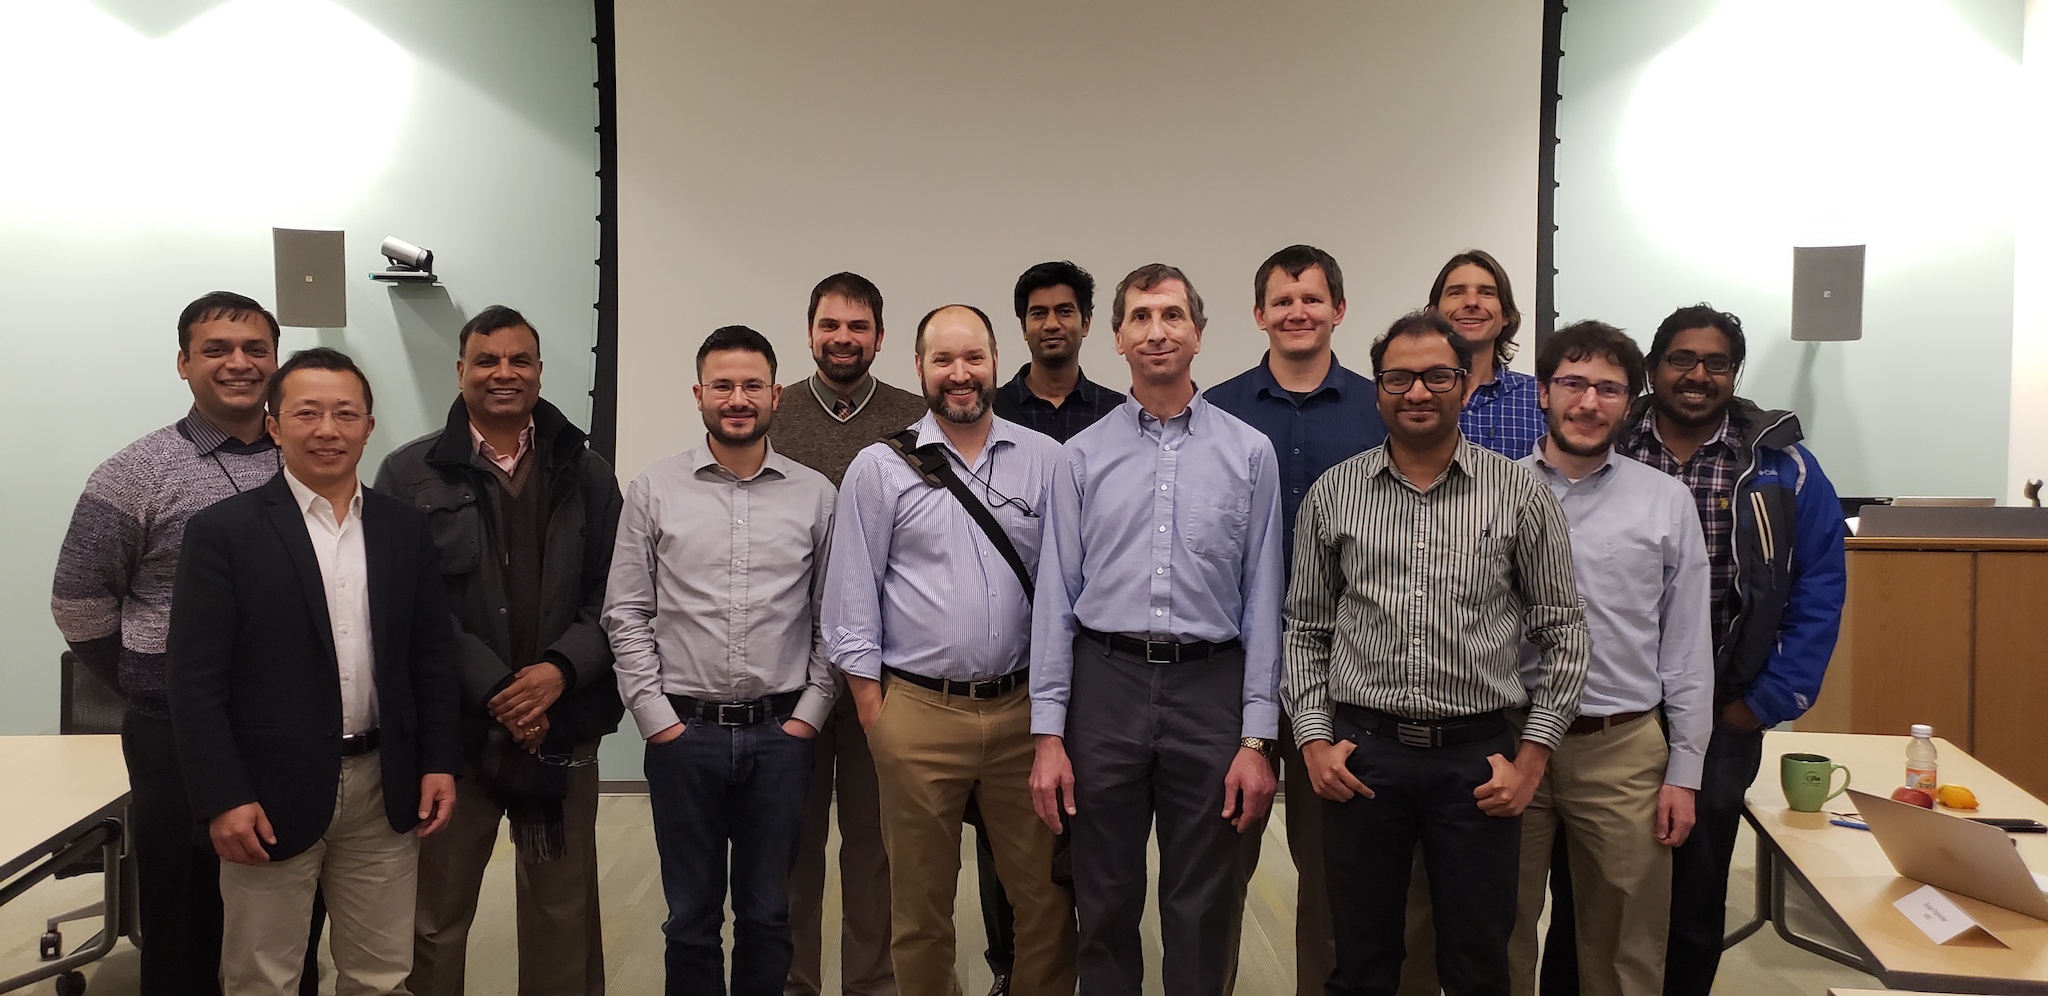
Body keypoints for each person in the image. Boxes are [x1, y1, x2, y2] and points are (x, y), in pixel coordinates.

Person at [1283, 311, 1589, 996]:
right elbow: (1304, 628)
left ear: (1465, 384)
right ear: (1378, 388)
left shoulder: (1520, 493)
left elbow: (1564, 630)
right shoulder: (1335, 493)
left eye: (1436, 376)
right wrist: (1314, 743)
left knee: (1478, 964)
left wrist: (1532, 760)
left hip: (1478, 763)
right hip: (1363, 756)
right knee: (1360, 963)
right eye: (1398, 377)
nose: (1417, 391)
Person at [1553, 304, 1841, 996]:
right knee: (1586, 897)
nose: (1697, 374)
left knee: (1694, 894)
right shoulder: (1607, 443)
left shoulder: (1782, 469)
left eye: (1717, 363)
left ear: (1734, 375)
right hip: (1610, 710)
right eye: (1681, 359)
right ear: (1653, 369)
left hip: (1722, 710)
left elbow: (1819, 590)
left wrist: (1760, 705)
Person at [50, 291, 324, 996]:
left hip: (291, 730)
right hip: (175, 734)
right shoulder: (135, 473)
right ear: (183, 363)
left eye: (255, 349)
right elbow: (78, 601)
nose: (239, 363)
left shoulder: (310, 458)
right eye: (216, 349)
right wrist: (151, 677)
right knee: (182, 922)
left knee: (290, 920)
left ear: (276, 359)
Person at [168, 347, 462, 995]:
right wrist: (223, 795)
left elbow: (431, 659)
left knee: (381, 976)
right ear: (275, 426)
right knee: (262, 978)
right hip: (266, 793)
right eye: (307, 413)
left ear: (369, 427)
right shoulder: (223, 532)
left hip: (384, 786)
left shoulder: (403, 529)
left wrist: (439, 760)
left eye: (345, 414)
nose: (327, 429)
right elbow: (194, 681)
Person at [1029, 263, 1284, 996]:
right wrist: (1048, 735)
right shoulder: (1081, 457)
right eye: (1140, 317)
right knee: (1103, 896)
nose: (1157, 331)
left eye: (1172, 315)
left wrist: (1256, 739)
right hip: (1104, 687)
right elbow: (1056, 599)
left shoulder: (1249, 453)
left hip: (1211, 686)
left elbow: (1264, 598)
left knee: (1203, 902)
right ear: (1117, 338)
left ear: (1198, 334)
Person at [826, 304, 1075, 996]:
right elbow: (850, 597)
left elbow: (1065, 591)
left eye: (973, 358)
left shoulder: (1047, 461)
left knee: (1047, 902)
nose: (959, 374)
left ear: (996, 363)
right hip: (917, 714)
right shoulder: (879, 468)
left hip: (1024, 715)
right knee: (920, 909)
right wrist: (876, 713)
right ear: (919, 368)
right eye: (943, 360)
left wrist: (1054, 713)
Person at [375, 305, 624, 996]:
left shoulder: (587, 471)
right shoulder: (408, 475)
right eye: (487, 360)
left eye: (520, 360)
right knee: (433, 919)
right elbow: (406, 606)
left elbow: (618, 593)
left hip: (560, 729)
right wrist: (497, 688)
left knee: (562, 915)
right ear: (460, 371)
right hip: (452, 741)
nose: (503, 373)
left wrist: (559, 672)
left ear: (540, 372)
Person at [603, 326, 837, 996]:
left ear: (776, 395)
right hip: (685, 737)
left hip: (780, 737)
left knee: (768, 915)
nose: (738, 399)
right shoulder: (653, 490)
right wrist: (656, 720)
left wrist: (810, 714)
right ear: (699, 394)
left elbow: (833, 617)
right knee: (690, 919)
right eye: (723, 386)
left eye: (752, 385)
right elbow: (625, 611)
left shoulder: (816, 495)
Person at [1505, 321, 1713, 996]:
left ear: (1629, 403)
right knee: (1496, 934)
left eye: (1608, 389)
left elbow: (1687, 647)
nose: (1589, 402)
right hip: (1508, 740)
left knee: (1627, 949)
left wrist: (1684, 771)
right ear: (1543, 392)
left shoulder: (1666, 501)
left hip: (1621, 749)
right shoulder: (1492, 493)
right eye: (1573, 383)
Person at [1202, 244, 1384, 996]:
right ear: (1258, 315)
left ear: (1339, 308)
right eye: (1283, 300)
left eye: (1312, 299)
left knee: (1335, 876)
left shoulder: (1380, 408)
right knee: (1217, 867)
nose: (1298, 312)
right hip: (1231, 672)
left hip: (1345, 676)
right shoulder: (1215, 411)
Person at [769, 272, 927, 996]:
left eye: (858, 327)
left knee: (875, 844)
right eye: (830, 325)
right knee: (790, 843)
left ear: (880, 337)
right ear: (810, 332)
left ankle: (872, 983)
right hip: (786, 669)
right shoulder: (773, 413)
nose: (843, 338)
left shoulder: (915, 418)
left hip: (884, 674)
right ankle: (793, 983)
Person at [993, 260, 1124, 442]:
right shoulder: (992, 410)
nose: (1051, 324)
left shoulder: (1118, 413)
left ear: (1086, 323)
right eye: (1039, 313)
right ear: (1023, 328)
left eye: (1064, 312)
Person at [1429, 250, 1542, 460]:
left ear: (1506, 315)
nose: (1472, 302)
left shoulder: (1540, 400)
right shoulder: (1401, 396)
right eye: (1456, 292)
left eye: (1486, 293)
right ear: (1433, 313)